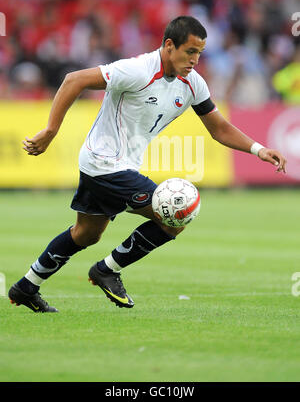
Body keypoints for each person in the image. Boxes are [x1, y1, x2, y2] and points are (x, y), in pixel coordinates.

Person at [8, 16, 287, 313]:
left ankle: (26, 287)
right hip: (105, 164)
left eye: (199, 53)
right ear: (169, 45)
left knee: (86, 233)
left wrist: (259, 149)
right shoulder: (137, 70)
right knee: (177, 212)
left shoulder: (192, 83)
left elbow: (218, 128)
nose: (195, 60)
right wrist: (50, 131)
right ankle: (106, 270)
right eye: (189, 51)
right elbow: (73, 80)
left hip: (110, 165)